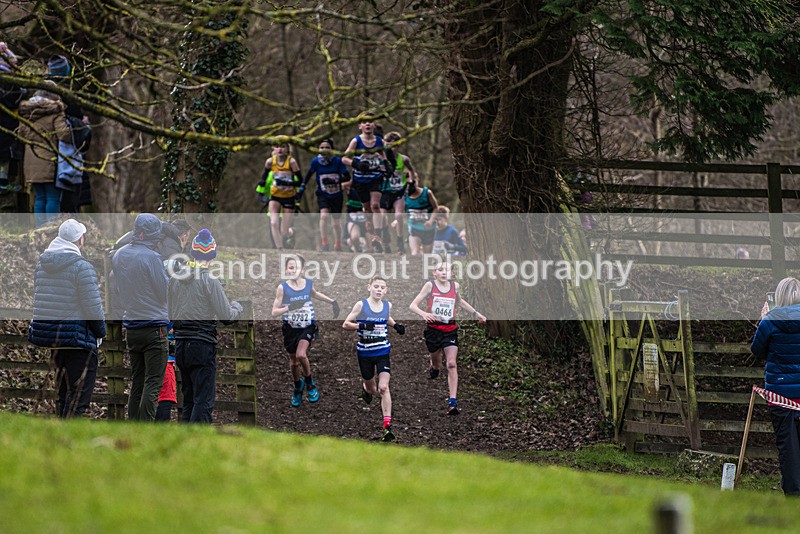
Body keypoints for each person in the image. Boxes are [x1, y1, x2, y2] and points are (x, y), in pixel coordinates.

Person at [29, 219, 105, 418]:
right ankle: (70, 441)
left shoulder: (42, 265)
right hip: (78, 340)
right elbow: (92, 307)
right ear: (79, 239)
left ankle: (61, 437)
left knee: (63, 394)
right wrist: (100, 332)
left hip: (55, 338)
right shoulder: (82, 267)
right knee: (79, 398)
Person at [168, 229, 243, 423]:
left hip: (181, 345)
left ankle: (185, 443)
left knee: (189, 399)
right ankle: (198, 443)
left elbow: (170, 312)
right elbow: (226, 316)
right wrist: (237, 307)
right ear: (212, 255)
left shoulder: (175, 280)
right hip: (202, 345)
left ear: (193, 253)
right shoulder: (209, 280)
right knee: (203, 400)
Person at [112, 213, 169, 421]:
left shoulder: (118, 255)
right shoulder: (152, 258)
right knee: (153, 383)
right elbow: (164, 292)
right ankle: (145, 429)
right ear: (145, 235)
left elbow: (117, 290)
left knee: (137, 381)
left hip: (132, 327)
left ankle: (133, 426)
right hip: (155, 329)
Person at [409, 262, 486, 415]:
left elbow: (460, 301)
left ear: (452, 273)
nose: (444, 272)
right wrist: (424, 314)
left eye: (448, 270)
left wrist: (476, 313)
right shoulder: (430, 286)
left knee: (451, 363)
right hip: (433, 330)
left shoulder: (455, 286)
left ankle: (452, 402)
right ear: (434, 273)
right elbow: (413, 305)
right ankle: (434, 366)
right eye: (440, 270)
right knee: (438, 364)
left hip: (450, 330)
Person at [751, 276, 800, 496]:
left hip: (780, 395)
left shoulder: (769, 320)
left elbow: (757, 351)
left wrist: (763, 319)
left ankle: (793, 495)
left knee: (788, 449)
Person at [343, 277, 405, 441]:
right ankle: (365, 388)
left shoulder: (387, 305)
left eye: (382, 287)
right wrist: (361, 326)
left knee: (384, 387)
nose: (379, 290)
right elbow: (346, 324)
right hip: (365, 352)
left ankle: (387, 426)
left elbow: (386, 318)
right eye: (376, 286)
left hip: (382, 350)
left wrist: (395, 325)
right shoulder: (361, 305)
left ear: (386, 290)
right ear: (369, 287)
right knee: (372, 390)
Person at [271, 254, 339, 407]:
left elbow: (315, 294)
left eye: (296, 267)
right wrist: (289, 307)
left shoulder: (308, 284)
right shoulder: (283, 288)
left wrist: (332, 302)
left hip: (307, 326)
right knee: (294, 363)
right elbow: (274, 312)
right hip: (290, 329)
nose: (293, 270)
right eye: (290, 267)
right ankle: (297, 386)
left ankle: (310, 383)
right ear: (286, 270)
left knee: (301, 354)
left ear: (302, 270)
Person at [17, 86, 72, 227]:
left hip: (31, 161)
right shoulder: (55, 112)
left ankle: (39, 230)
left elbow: (21, 135)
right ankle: (52, 230)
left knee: (40, 197)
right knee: (53, 197)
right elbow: (64, 135)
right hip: (50, 160)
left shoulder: (26, 112)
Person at [344, 118, 390, 252]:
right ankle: (373, 232)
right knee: (367, 210)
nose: (368, 124)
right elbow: (344, 158)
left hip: (375, 178)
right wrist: (356, 164)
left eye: (370, 121)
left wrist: (386, 165)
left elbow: (383, 155)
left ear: (374, 125)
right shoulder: (356, 141)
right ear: (360, 126)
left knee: (375, 205)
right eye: (364, 122)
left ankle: (377, 237)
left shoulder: (380, 141)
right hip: (360, 180)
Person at [303, 138, 350, 251]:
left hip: (337, 195)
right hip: (322, 193)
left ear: (332, 150)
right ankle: (324, 243)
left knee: (335, 222)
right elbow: (309, 174)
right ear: (318, 149)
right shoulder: (315, 161)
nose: (324, 150)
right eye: (322, 147)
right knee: (324, 216)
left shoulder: (338, 161)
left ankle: (337, 244)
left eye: (327, 147)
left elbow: (347, 177)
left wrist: (335, 181)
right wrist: (302, 186)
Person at [379, 132, 419, 254]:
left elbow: (413, 171)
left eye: (395, 145)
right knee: (383, 217)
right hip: (384, 191)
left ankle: (400, 242)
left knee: (399, 216)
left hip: (399, 191)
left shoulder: (404, 159)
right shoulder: (381, 158)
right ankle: (386, 239)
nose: (392, 148)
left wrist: (413, 183)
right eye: (389, 145)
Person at [259, 143, 302, 249]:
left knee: (284, 230)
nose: (280, 149)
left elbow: (300, 181)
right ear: (273, 148)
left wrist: (288, 184)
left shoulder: (291, 162)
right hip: (275, 196)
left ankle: (292, 233)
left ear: (287, 148)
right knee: (273, 223)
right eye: (277, 146)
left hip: (289, 196)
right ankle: (279, 248)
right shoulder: (270, 162)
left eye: (283, 146)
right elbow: (263, 179)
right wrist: (261, 193)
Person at [0, 42, 23, 193]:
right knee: (4, 156)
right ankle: (3, 183)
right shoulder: (9, 82)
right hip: (6, 123)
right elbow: (14, 100)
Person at [402, 180, 438, 256]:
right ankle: (416, 266)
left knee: (427, 255)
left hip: (428, 229)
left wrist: (430, 221)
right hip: (414, 228)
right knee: (415, 253)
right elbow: (403, 212)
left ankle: (425, 265)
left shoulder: (427, 193)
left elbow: (436, 208)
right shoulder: (404, 196)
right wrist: (398, 220)